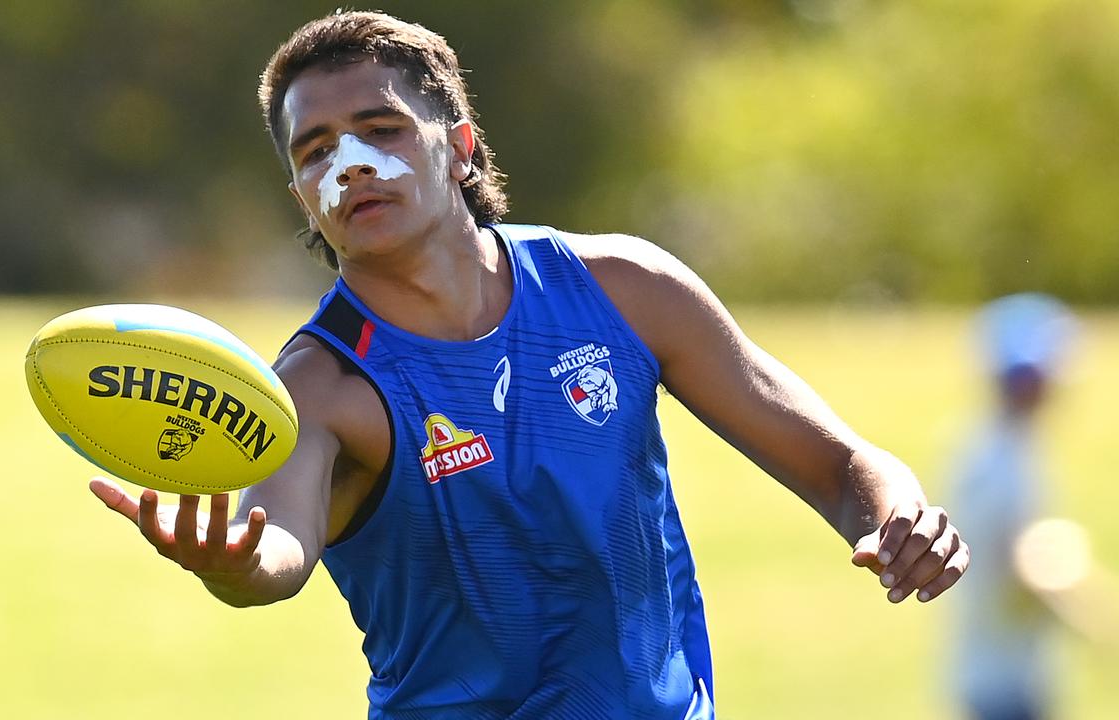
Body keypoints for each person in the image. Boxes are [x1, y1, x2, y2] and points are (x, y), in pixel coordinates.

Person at [88, 11, 970, 719]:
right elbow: (277, 548)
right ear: (302, 200)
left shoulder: (626, 288)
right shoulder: (324, 386)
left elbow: (840, 463)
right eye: (315, 151)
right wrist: (231, 564)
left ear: (461, 147)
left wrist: (898, 518)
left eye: (378, 128)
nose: (348, 165)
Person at [949, 293, 1076, 720]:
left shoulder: (994, 449)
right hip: (1004, 682)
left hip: (994, 668)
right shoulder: (1002, 463)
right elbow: (1025, 567)